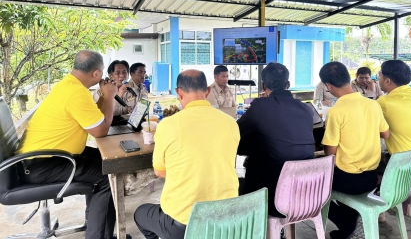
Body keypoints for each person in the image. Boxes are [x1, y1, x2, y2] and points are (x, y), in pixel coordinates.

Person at [17, 50, 118, 239]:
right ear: (96, 74)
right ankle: (98, 236)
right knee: (107, 176)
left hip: (42, 158)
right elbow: (101, 130)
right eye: (102, 71)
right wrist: (111, 96)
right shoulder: (76, 92)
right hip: (42, 164)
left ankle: (102, 230)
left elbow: (94, 119)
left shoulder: (69, 84)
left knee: (107, 161)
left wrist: (104, 97)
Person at [134, 70, 239, 239]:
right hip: (225, 219)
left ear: (178, 92)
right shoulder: (230, 123)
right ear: (207, 91)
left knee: (140, 213)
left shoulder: (168, 125)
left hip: (184, 223)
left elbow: (160, 171)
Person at [320, 62, 389, 239]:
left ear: (328, 86)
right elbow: (386, 133)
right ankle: (348, 227)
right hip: (372, 177)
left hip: (348, 180)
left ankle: (347, 224)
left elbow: (330, 152)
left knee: (312, 188)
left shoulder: (336, 112)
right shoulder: (372, 105)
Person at [237, 62, 315, 217]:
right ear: (288, 84)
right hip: (307, 194)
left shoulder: (260, 106)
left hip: (273, 196)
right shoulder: (306, 109)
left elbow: (236, 135)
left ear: (263, 85)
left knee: (253, 153)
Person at [377, 60, 411, 185]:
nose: (378, 79)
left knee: (368, 165)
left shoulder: (385, 102)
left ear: (387, 81)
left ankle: (381, 196)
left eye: (379, 75)